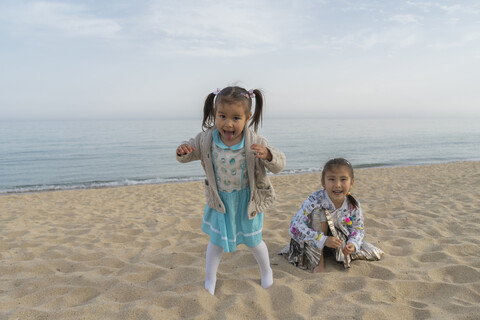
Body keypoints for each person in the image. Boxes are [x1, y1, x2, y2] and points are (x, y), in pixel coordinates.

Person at [176, 86, 286, 295]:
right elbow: (190, 151)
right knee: (215, 244)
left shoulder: (255, 141)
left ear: (248, 118)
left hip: (247, 201)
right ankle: (210, 280)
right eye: (222, 116)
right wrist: (183, 150)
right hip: (220, 202)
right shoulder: (206, 139)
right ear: (214, 114)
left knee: (254, 242)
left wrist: (268, 155)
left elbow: (279, 164)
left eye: (236, 118)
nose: (228, 123)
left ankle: (266, 272)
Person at [281, 158, 383, 272]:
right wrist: (323, 239)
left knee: (373, 253)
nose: (337, 185)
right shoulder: (314, 200)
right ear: (323, 182)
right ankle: (319, 262)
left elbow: (358, 228)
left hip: (336, 241)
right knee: (319, 213)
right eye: (332, 179)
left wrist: (352, 244)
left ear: (352, 183)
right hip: (314, 240)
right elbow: (295, 226)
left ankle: (336, 253)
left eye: (343, 179)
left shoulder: (353, 205)